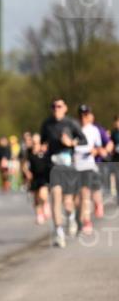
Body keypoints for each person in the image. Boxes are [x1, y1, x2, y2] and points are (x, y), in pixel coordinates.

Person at [39, 98, 84, 247]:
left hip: (68, 165)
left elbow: (84, 141)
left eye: (59, 106)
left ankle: (71, 218)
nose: (56, 109)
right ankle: (59, 233)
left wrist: (71, 143)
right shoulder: (46, 124)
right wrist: (42, 147)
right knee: (55, 197)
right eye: (53, 106)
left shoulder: (71, 123)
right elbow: (42, 142)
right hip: (53, 166)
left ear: (65, 108)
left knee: (67, 201)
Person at [75, 105, 106, 234]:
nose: (83, 117)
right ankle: (79, 219)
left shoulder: (94, 130)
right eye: (81, 115)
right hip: (76, 165)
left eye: (86, 115)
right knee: (78, 197)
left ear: (89, 116)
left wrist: (96, 151)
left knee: (87, 193)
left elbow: (99, 147)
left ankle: (87, 221)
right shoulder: (74, 128)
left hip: (88, 164)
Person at [23, 132, 52, 224]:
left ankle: (46, 204)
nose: (35, 143)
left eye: (37, 141)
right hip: (33, 177)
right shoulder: (29, 152)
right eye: (34, 141)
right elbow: (24, 164)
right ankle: (39, 214)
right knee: (36, 198)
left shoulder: (44, 151)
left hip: (43, 176)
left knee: (42, 194)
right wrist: (27, 172)